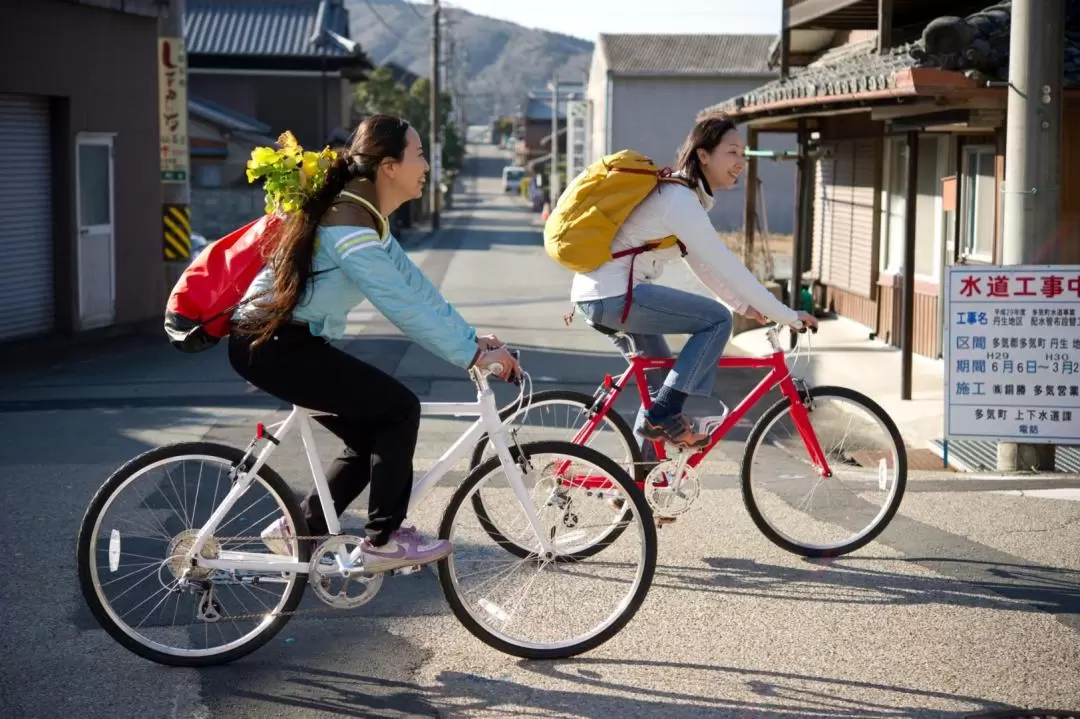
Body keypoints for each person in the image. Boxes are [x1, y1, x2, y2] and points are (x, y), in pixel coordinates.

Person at [229, 114, 520, 573]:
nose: (425, 166)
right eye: (419, 155)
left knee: (372, 438)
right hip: (270, 344)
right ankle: (383, 539)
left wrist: (471, 340)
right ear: (389, 166)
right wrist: (471, 356)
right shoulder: (349, 228)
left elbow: (416, 287)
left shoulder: (365, 217)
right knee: (399, 409)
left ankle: (298, 528)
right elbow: (399, 304)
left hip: (286, 342)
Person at [570, 110, 818, 451]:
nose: (740, 162)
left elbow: (702, 265)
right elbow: (727, 265)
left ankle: (639, 488)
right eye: (732, 152)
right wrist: (786, 316)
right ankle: (661, 418)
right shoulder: (679, 201)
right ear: (703, 155)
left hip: (606, 294)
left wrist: (745, 305)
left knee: (660, 395)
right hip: (616, 295)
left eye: (742, 154)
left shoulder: (683, 197)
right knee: (716, 321)